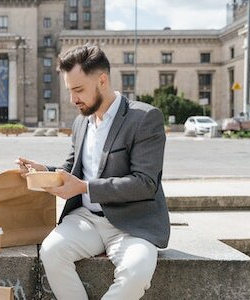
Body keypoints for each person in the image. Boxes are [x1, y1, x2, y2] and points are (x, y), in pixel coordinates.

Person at [18, 44, 170, 300]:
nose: (72, 99)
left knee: (137, 271)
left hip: (132, 224)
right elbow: (71, 169)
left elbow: (145, 183)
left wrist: (85, 187)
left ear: (102, 80)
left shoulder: (144, 118)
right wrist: (44, 171)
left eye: (78, 90)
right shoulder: (81, 122)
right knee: (51, 251)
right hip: (85, 219)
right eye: (70, 91)